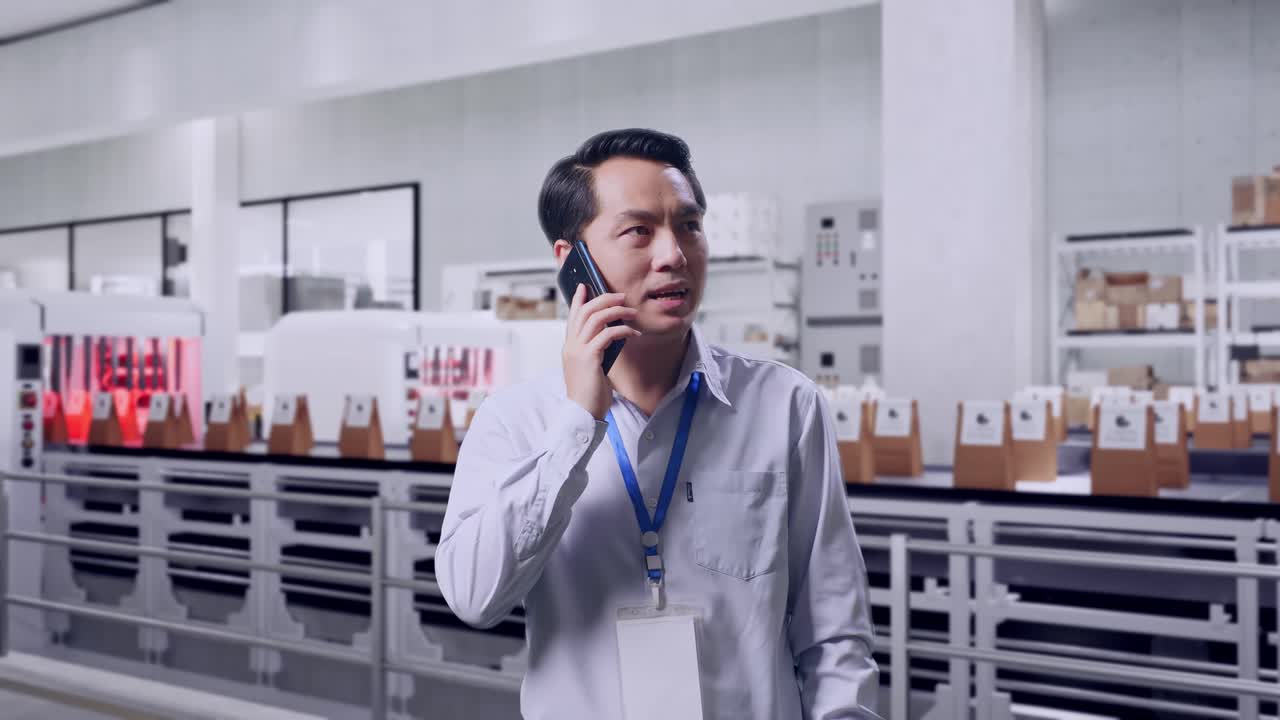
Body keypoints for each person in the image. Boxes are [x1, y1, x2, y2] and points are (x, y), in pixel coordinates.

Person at [437, 128, 880, 719]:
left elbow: (833, 628)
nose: (674, 253)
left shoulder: (786, 407)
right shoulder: (516, 420)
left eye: (690, 226)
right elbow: (473, 597)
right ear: (575, 264)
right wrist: (576, 425)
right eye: (639, 231)